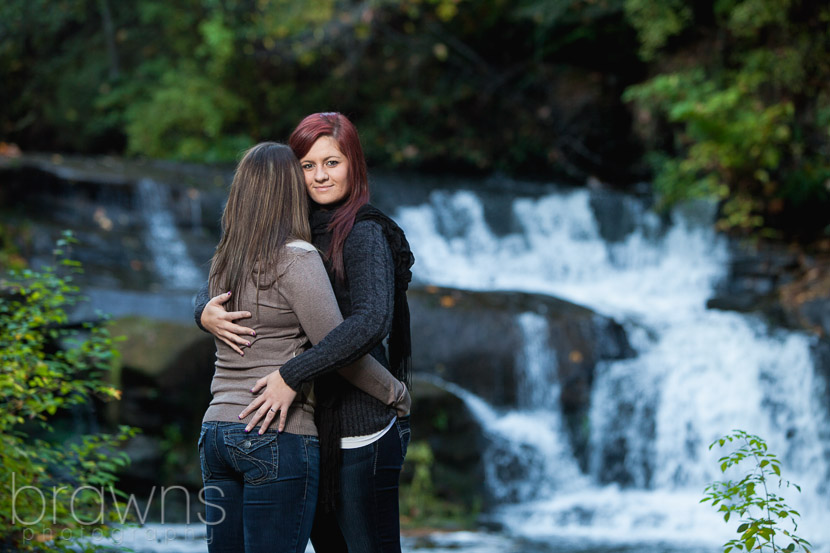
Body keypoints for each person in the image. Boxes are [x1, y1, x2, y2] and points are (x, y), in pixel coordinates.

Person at [195, 113, 414, 553]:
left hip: (357, 426)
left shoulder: (363, 232)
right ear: (289, 176)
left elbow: (370, 323)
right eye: (307, 165)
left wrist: (293, 374)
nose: (319, 176)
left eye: (332, 162)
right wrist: (202, 312)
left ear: (353, 163)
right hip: (302, 429)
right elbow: (225, 290)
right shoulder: (287, 237)